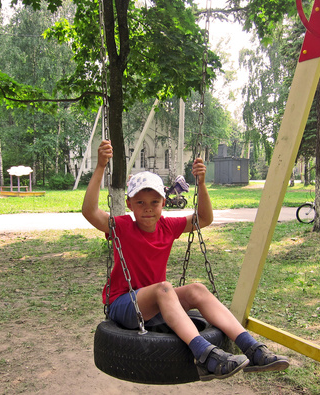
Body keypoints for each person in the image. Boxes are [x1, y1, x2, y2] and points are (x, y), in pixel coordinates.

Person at [82, 140, 289, 381]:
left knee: (197, 290)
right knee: (164, 288)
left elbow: (204, 218)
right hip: (123, 304)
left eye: (154, 202)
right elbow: (90, 211)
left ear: (163, 203)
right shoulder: (123, 226)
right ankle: (205, 356)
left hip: (157, 302)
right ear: (129, 204)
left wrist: (201, 183)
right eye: (140, 203)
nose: (148, 209)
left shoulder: (168, 226)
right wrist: (100, 167)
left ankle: (253, 349)